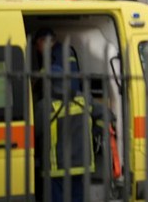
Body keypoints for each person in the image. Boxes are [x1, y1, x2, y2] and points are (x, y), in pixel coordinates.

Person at [32, 28, 93, 202]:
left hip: (56, 162)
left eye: (37, 45)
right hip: (80, 159)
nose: (37, 50)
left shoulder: (57, 56)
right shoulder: (64, 51)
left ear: (44, 41)